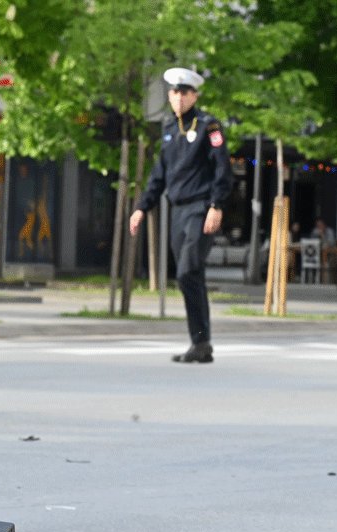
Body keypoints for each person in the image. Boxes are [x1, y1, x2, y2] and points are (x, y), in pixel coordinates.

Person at [129, 67, 232, 364]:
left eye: (184, 92)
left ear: (194, 95)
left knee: (188, 270)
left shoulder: (209, 127)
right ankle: (200, 343)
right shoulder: (169, 131)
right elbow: (158, 178)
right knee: (189, 275)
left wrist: (217, 204)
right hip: (177, 211)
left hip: (201, 208)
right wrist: (140, 207)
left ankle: (201, 341)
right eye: (174, 92)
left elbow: (222, 169)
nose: (178, 97)